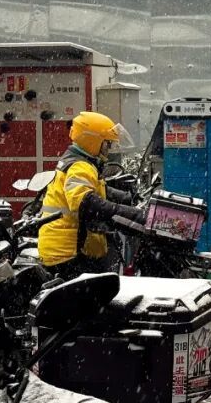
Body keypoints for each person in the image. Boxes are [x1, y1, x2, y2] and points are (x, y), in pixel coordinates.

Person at [37, 111, 143, 278]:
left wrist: (126, 198)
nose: (109, 149)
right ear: (93, 141)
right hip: (70, 252)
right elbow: (85, 202)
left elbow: (98, 189)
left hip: (64, 248)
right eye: (107, 143)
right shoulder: (80, 166)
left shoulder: (79, 161)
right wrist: (132, 213)